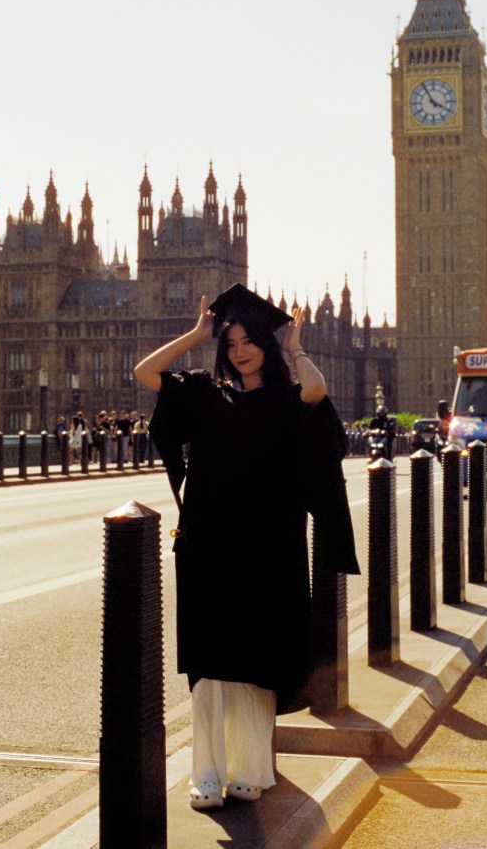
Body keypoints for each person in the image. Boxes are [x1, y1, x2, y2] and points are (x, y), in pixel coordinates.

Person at [134, 283, 360, 812]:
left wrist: (294, 348)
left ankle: (251, 769)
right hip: (210, 545)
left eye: (248, 340)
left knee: (256, 663)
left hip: (267, 546)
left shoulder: (286, 397)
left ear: (264, 342)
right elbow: (146, 374)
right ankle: (206, 774)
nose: (238, 350)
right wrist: (195, 334)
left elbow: (316, 394)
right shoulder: (205, 393)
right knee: (210, 665)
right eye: (230, 342)